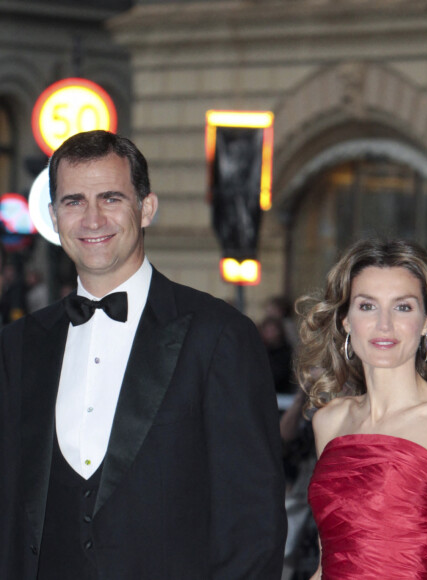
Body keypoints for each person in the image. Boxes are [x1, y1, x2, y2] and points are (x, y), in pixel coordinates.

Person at [0, 130, 287, 579]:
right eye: (74, 202)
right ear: (54, 217)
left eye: (111, 198)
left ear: (146, 208)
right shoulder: (17, 346)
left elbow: (252, 523)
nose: (92, 219)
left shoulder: (219, 336)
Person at [295, 238, 427, 580]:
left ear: (426, 322)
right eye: (367, 306)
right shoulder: (330, 420)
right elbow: (326, 564)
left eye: (402, 307)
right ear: (345, 320)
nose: (384, 324)